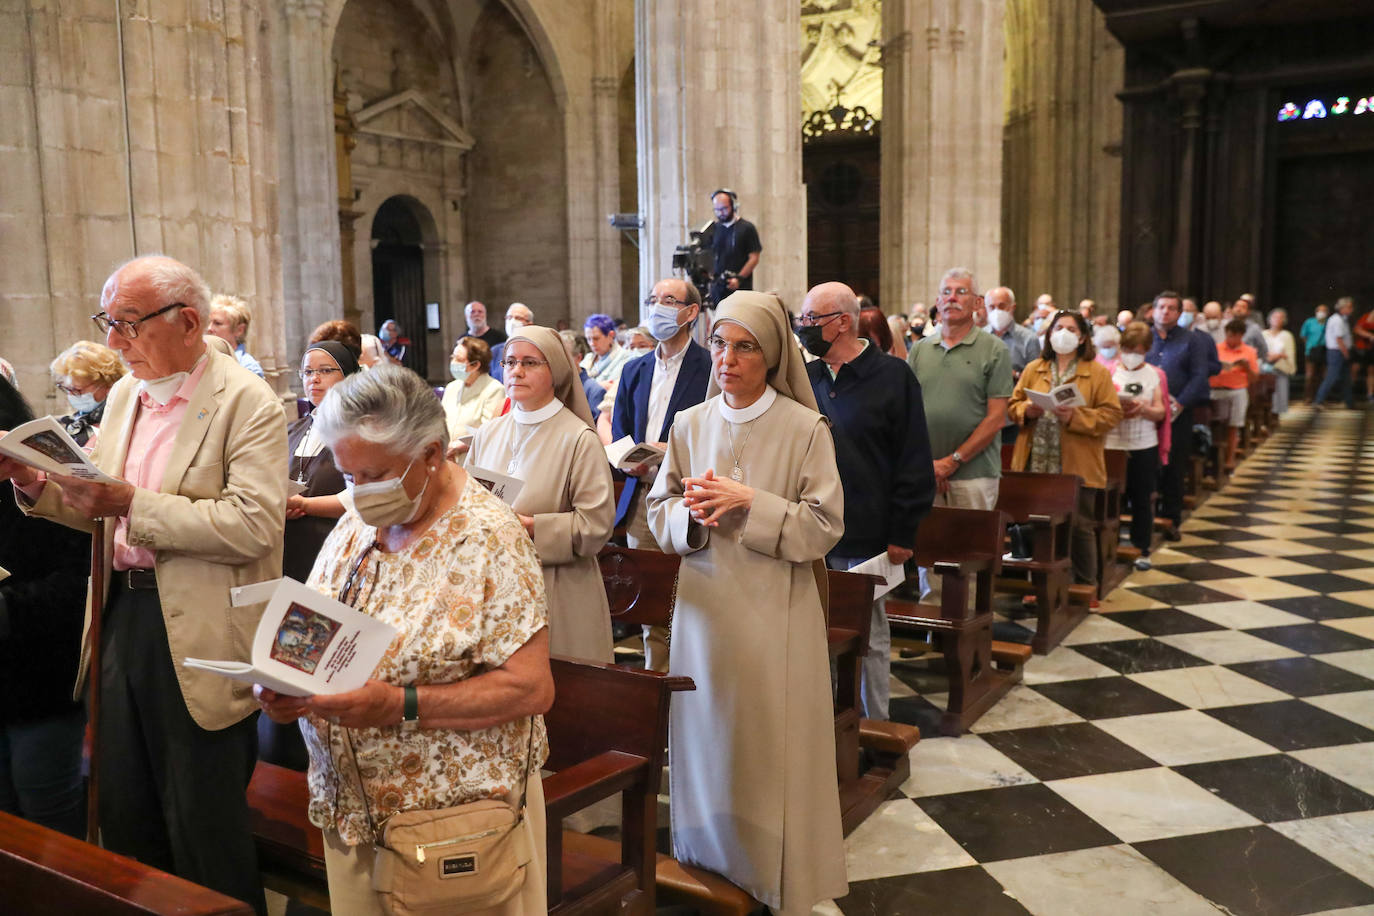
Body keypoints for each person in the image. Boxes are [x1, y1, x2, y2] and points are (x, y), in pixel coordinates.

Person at [3, 255, 285, 912]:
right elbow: (97, 507)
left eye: (127, 324)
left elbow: (254, 525)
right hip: (120, 616)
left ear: (187, 321)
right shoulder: (129, 393)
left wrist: (131, 501)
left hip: (200, 625)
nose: (113, 342)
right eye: (109, 323)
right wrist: (35, 484)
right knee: (128, 813)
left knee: (204, 827)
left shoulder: (247, 400)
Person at [257, 366, 554, 916]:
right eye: (348, 476)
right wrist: (286, 688)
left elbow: (531, 689)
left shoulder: (490, 538)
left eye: (375, 474)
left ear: (433, 453)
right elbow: (314, 629)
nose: (360, 492)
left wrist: (398, 705)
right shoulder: (355, 523)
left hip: (452, 828)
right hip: (351, 810)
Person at [647, 291, 846, 913]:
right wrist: (693, 518)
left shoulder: (804, 427)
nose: (727, 359)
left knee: (768, 745)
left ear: (773, 355)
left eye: (745, 347)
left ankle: (771, 873)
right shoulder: (690, 424)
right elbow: (658, 511)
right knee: (706, 737)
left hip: (775, 613)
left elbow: (824, 526)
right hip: (704, 612)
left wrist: (750, 504)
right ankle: (705, 855)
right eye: (721, 344)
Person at [801, 282, 935, 721]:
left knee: (870, 637)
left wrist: (903, 533)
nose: (803, 328)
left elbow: (913, 460)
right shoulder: (807, 377)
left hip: (870, 535)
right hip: (813, 534)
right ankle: (825, 729)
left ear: (842, 322)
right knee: (817, 637)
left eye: (810, 319)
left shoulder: (893, 376)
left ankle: (875, 728)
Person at [467, 327, 615, 662]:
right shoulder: (488, 433)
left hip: (558, 588)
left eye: (530, 363)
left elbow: (596, 526)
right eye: (510, 362)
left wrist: (531, 526)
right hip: (494, 585)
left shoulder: (578, 438)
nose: (516, 371)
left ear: (556, 372)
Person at [0, 377, 90, 838]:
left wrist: (8, 608)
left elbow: (80, 580)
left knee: (47, 815)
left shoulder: (40, 474)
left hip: (39, 680)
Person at [611, 278, 712, 671]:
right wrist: (625, 457)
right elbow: (621, 427)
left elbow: (716, 432)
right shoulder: (634, 368)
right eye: (653, 300)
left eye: (668, 300)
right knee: (651, 601)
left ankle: (695, 683)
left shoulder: (708, 367)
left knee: (691, 597)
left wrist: (671, 452)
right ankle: (658, 687)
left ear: (690, 313)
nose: (657, 307)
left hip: (688, 498)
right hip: (643, 498)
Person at [908, 268, 1013, 604]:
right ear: (937, 302)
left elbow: (996, 418)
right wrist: (929, 465)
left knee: (968, 556)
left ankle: (969, 632)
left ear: (977, 303)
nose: (952, 298)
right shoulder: (921, 350)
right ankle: (932, 626)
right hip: (927, 473)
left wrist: (952, 462)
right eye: (946, 292)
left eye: (961, 292)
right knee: (929, 554)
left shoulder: (994, 349)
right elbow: (908, 415)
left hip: (974, 474)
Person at [1007, 310, 1123, 587]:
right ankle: (1041, 586)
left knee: (1079, 525)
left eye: (1072, 329)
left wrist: (1075, 417)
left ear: (1082, 337)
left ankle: (1085, 585)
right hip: (1036, 460)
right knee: (1039, 525)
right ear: (1049, 333)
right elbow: (1013, 405)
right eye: (1059, 327)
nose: (1064, 333)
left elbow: (1111, 414)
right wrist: (1027, 410)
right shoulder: (1035, 368)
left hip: (1076, 462)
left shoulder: (1095, 372)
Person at [285, 341, 358, 582]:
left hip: (337, 547)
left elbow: (362, 497)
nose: (313, 379)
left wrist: (306, 505)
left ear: (348, 376)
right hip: (290, 550)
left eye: (325, 371)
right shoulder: (293, 429)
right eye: (307, 372)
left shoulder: (359, 430)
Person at [1147, 290, 1214, 540]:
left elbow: (1199, 376)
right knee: (1147, 467)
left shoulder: (1192, 340)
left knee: (1174, 467)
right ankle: (1145, 518)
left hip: (1179, 413)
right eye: (1161, 306)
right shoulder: (1145, 337)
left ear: (1179, 312)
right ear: (1153, 310)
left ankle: (1171, 519)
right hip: (1147, 412)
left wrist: (1180, 403)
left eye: (1171, 308)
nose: (1165, 311)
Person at [1105, 322, 1166, 570]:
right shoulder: (1108, 372)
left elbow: (1161, 411)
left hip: (1143, 444)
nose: (1132, 355)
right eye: (1129, 349)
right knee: (1111, 499)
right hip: (1112, 443)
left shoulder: (1154, 374)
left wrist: (1145, 409)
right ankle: (1109, 545)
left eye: (1139, 351)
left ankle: (1142, 547)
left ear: (1147, 350)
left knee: (1141, 498)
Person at [50, 340, 126, 448]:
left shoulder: (124, 418)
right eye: (67, 389)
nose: (71, 395)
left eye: (78, 390)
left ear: (108, 384)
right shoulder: (79, 418)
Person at [441, 336, 504, 456]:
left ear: (475, 365)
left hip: (473, 457)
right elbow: (441, 421)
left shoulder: (494, 390)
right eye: (452, 357)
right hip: (446, 456)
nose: (453, 362)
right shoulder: (452, 387)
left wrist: (457, 446)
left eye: (458, 359)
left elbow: (489, 433)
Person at [705, 188, 762, 306]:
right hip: (718, 288)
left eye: (724, 209)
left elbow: (754, 258)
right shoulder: (713, 229)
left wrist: (739, 278)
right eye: (717, 210)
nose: (721, 213)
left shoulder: (747, 228)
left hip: (740, 287)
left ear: (734, 206)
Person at [207, 294, 265, 378]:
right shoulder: (203, 361)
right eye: (208, 322)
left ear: (239, 330)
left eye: (217, 323)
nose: (209, 328)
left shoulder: (249, 368)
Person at [1314, 296, 1355, 409]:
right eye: (1349, 307)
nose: (1352, 310)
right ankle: (1318, 400)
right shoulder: (1337, 320)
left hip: (1340, 351)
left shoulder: (1342, 319)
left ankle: (1349, 402)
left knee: (1346, 378)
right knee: (1331, 377)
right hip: (1337, 352)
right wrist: (1346, 353)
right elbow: (1339, 339)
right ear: (1343, 308)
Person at [581, 313, 633, 391]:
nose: (592, 343)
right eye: (589, 339)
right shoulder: (588, 358)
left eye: (596, 338)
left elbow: (612, 388)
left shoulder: (625, 357)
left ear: (611, 335)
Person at [1262, 308, 1297, 416]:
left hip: (1281, 368)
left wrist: (1280, 356)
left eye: (1280, 318)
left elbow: (1289, 353)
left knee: (1280, 382)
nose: (1277, 320)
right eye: (1275, 317)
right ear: (1269, 319)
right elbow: (1259, 351)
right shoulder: (1263, 334)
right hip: (1264, 367)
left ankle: (1276, 415)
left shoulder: (1287, 335)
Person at [490, 302, 534, 382]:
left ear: (529, 324)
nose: (512, 321)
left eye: (518, 318)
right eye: (509, 317)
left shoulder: (535, 350)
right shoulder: (495, 351)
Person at [1301, 304, 1329, 402]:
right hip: (1311, 351)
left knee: (1323, 375)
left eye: (1324, 311)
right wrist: (1310, 345)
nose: (1321, 313)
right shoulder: (1309, 322)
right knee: (1310, 375)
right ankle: (1308, 396)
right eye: (1319, 310)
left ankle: (1320, 397)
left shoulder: (1329, 322)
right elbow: (1303, 336)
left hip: (1325, 351)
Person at [1352, 303, 1374, 400]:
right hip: (1361, 348)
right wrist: (1369, 336)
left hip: (1372, 350)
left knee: (1371, 372)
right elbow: (1357, 329)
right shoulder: (1365, 318)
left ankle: (1370, 394)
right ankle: (1349, 391)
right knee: (1355, 369)